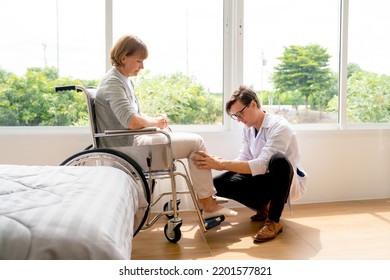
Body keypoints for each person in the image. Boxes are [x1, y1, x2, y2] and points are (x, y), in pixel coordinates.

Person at [94, 34, 237, 219]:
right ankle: (208, 203)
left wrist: (156, 121)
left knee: (190, 143)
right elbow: (132, 122)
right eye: (139, 61)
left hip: (132, 141)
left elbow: (134, 116)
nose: (142, 66)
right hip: (127, 148)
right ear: (123, 58)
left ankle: (206, 200)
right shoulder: (113, 83)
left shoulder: (122, 80)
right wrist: (154, 122)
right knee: (196, 143)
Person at [192, 85, 307, 242]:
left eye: (240, 113)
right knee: (216, 184)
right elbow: (244, 158)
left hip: (283, 182)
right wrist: (219, 162)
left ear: (253, 104)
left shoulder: (280, 126)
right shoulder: (248, 128)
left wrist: (221, 164)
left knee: (278, 160)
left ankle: (274, 221)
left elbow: (262, 164)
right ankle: (264, 206)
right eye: (235, 116)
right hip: (262, 180)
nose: (239, 119)